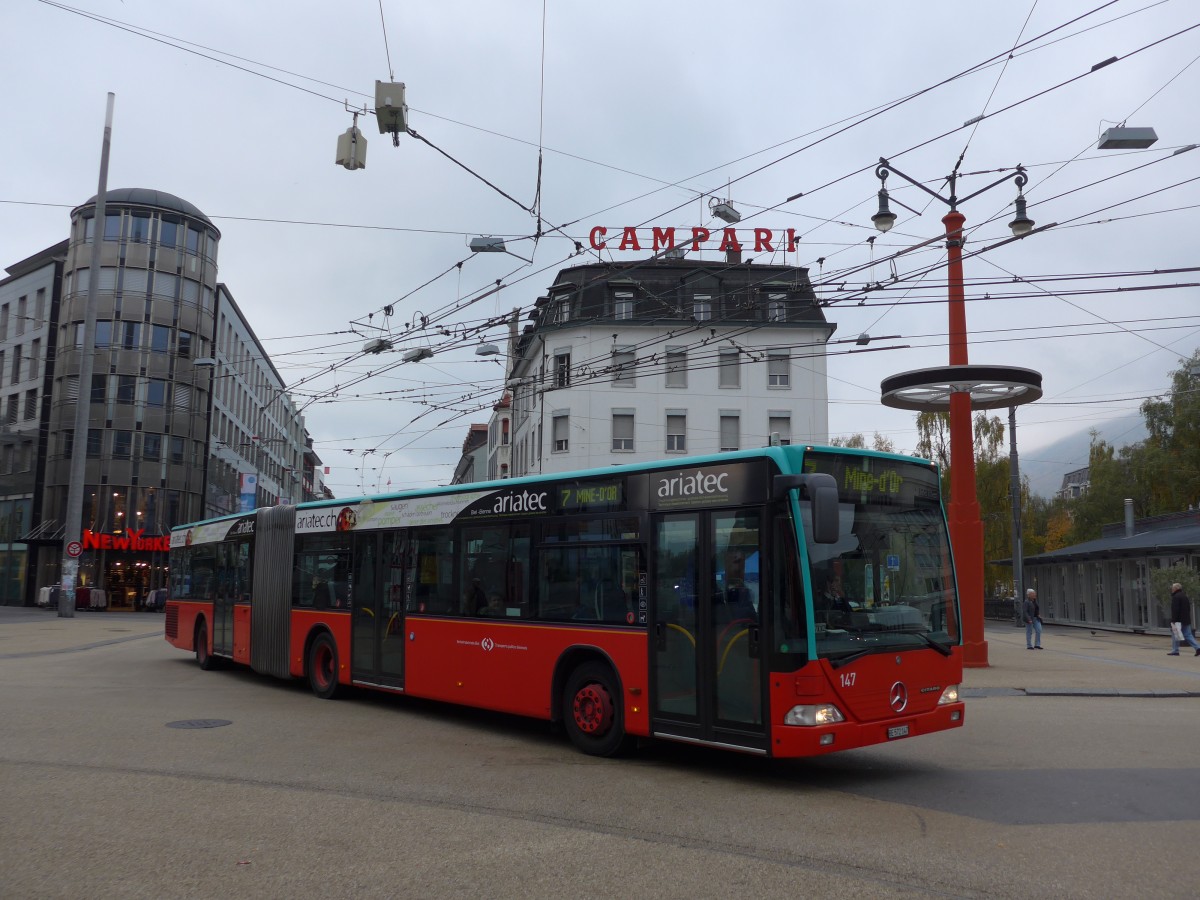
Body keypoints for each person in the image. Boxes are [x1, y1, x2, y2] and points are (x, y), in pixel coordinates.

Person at [1167, 582, 1200, 656]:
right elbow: (1188, 608)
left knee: (1175, 634)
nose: (1171, 589)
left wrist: (1173, 620)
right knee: (1188, 635)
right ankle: (1198, 648)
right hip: (1186, 619)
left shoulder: (1176, 597)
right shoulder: (1185, 596)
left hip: (1178, 620)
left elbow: (1176, 610)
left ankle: (1175, 650)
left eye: (1172, 588)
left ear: (1176, 588)